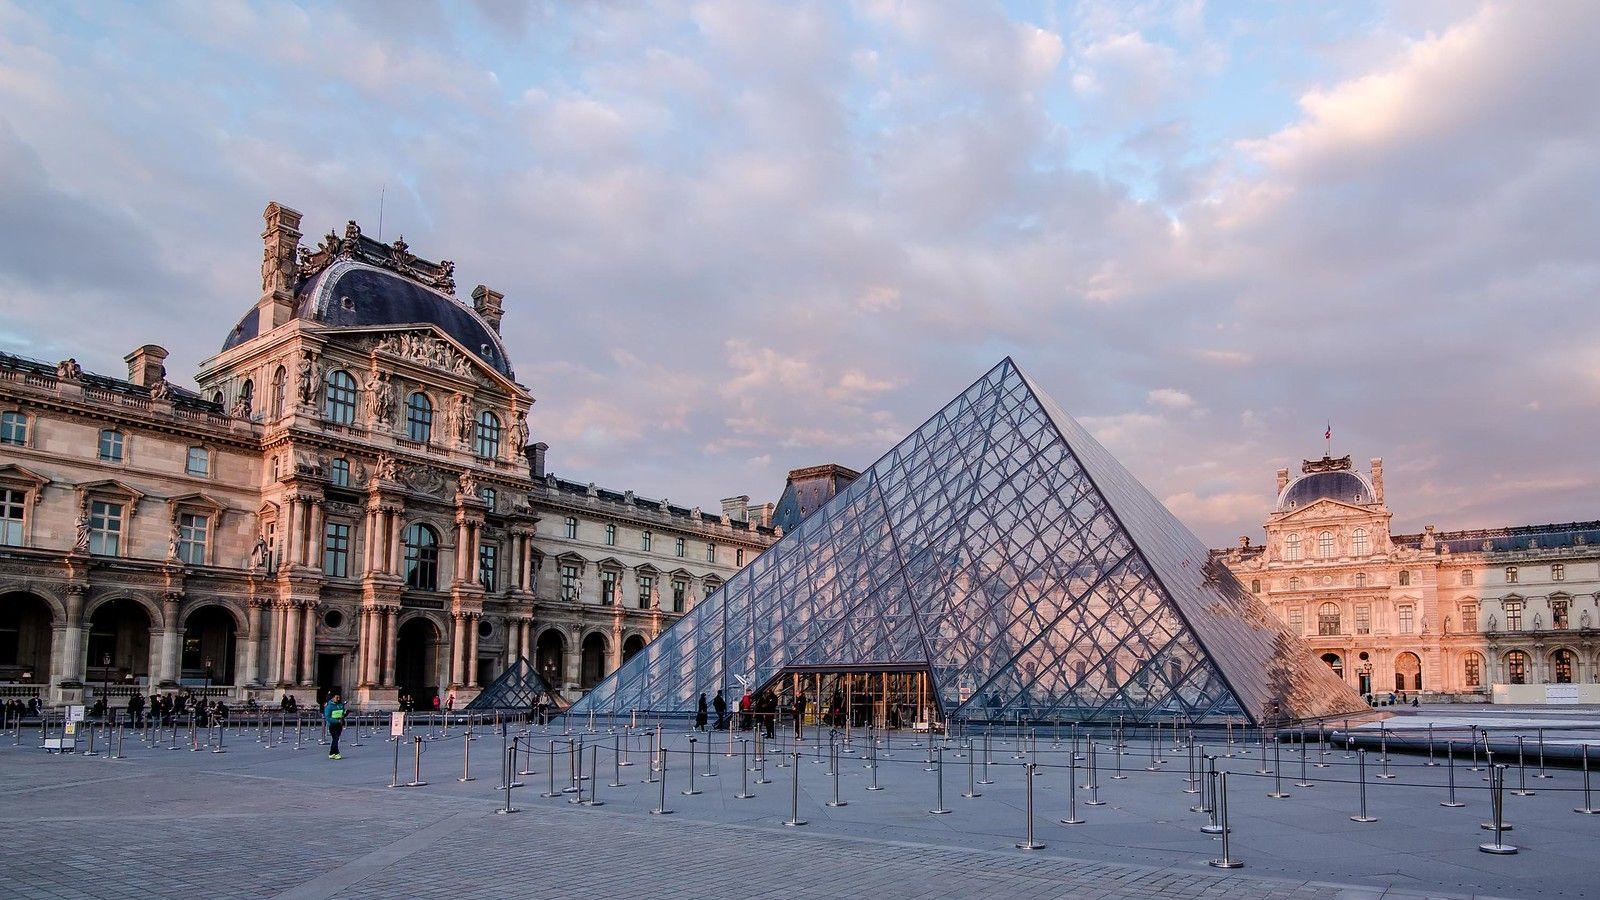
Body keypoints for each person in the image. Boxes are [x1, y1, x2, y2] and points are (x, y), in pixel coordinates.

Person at [324, 692, 347, 759]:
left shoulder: (340, 705)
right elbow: (327, 717)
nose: (338, 699)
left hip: (340, 724)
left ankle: (331, 753)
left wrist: (345, 713)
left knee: (336, 739)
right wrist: (337, 721)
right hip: (332, 724)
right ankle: (337, 753)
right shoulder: (329, 706)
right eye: (337, 697)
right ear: (332, 698)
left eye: (339, 697)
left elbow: (342, 713)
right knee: (335, 738)